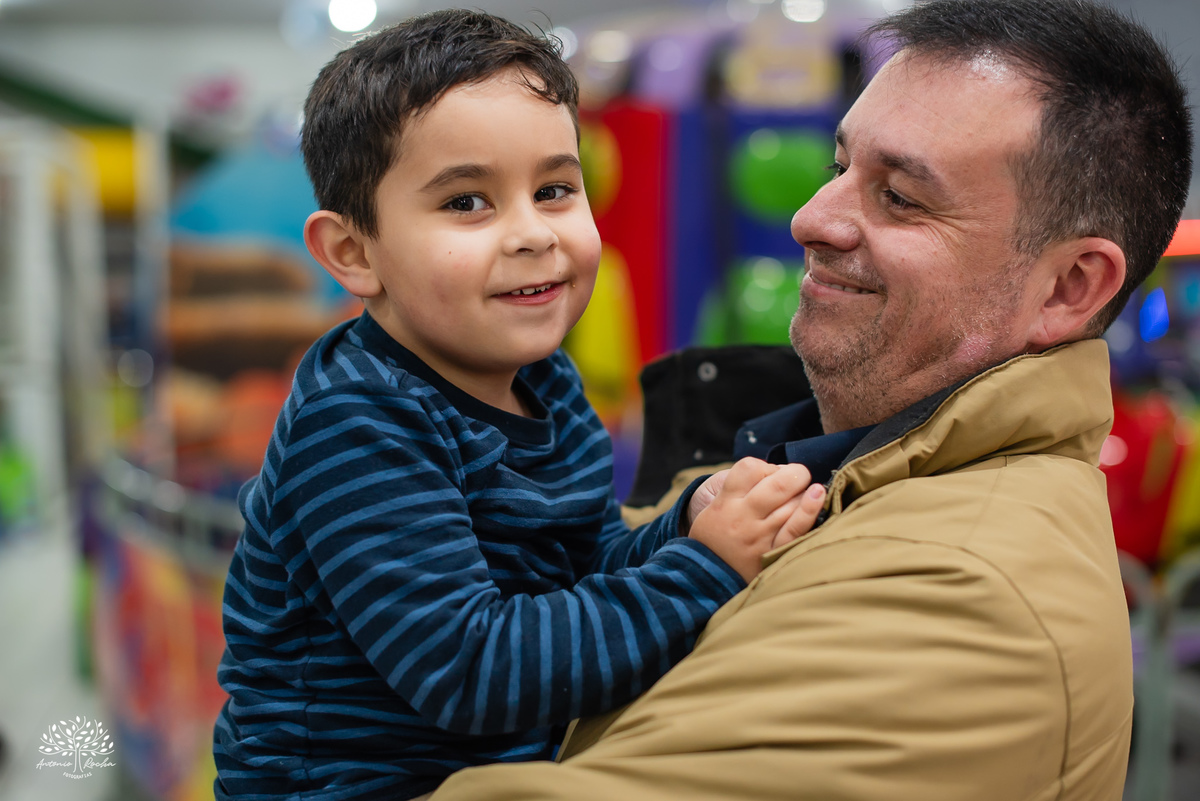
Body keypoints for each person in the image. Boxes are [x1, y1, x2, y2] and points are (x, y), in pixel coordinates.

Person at [429, 0, 1194, 799]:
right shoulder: (841, 477)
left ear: (1070, 286)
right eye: (840, 170)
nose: (809, 218)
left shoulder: (957, 597)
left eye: (900, 196)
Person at [211, 10, 826, 801]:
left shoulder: (547, 384)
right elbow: (470, 668)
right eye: (468, 202)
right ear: (353, 253)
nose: (533, 233)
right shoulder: (359, 418)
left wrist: (692, 519)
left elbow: (584, 567)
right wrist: (705, 568)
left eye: (554, 189)